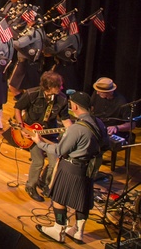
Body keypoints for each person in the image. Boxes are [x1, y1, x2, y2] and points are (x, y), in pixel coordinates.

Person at [34, 91, 107, 243]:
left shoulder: (77, 128)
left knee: (59, 198)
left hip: (71, 168)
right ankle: (78, 231)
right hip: (89, 169)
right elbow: (105, 144)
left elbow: (59, 150)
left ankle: (58, 229)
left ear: (74, 106)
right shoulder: (99, 123)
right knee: (82, 201)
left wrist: (39, 142)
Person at [14, 71, 73, 202]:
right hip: (31, 133)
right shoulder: (31, 94)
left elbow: (65, 119)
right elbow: (17, 108)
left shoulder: (62, 99)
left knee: (55, 162)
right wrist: (21, 126)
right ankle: (31, 186)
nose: (61, 88)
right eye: (58, 86)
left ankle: (46, 184)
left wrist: (73, 131)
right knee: (38, 161)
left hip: (49, 134)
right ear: (48, 87)